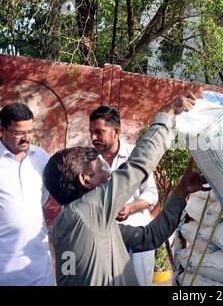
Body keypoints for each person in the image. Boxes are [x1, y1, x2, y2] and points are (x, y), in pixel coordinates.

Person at [43, 94, 208, 286]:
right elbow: (139, 165)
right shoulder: (84, 211)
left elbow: (149, 237)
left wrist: (182, 190)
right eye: (101, 169)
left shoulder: (85, 223)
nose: (108, 175)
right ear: (85, 180)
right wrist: (168, 113)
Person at [89, 105, 159, 286]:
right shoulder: (89, 161)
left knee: (139, 281)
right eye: (91, 132)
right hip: (103, 239)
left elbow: (151, 194)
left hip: (136, 235)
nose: (93, 138)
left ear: (116, 131)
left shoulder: (135, 157)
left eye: (99, 132)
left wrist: (130, 208)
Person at [0, 103, 54, 285]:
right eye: (19, 133)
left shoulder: (40, 157)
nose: (26, 138)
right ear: (2, 130)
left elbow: (45, 195)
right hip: (4, 264)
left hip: (39, 262)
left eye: (30, 131)